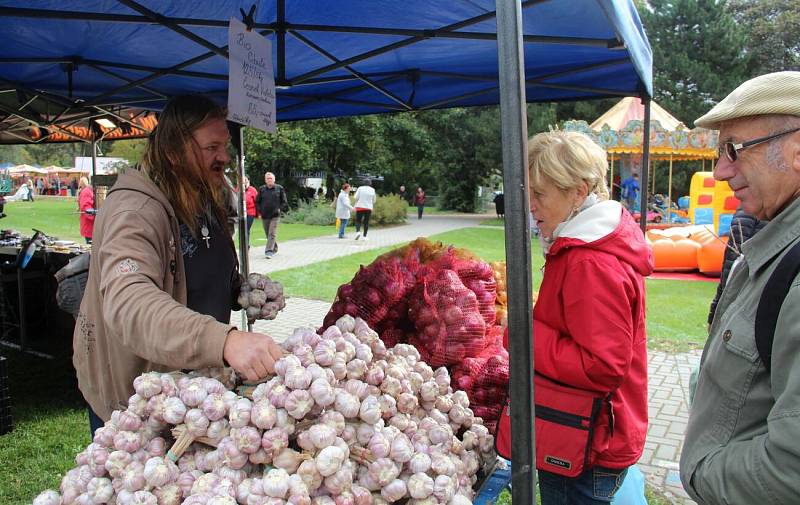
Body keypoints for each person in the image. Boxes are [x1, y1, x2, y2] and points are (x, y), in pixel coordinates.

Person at [72, 95, 283, 435]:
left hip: (196, 385)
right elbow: (130, 301)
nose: (225, 157)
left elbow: (196, 269)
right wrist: (224, 341)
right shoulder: (134, 210)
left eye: (225, 145)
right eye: (211, 147)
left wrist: (240, 290)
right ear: (173, 151)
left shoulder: (202, 191)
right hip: (139, 395)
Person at [679, 71, 800, 505]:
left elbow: (791, 470)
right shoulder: (775, 240)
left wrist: (702, 470)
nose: (719, 171)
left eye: (733, 149)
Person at [525, 131, 652, 504]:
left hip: (587, 442)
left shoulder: (589, 261)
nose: (531, 205)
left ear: (578, 192)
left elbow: (602, 365)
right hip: (588, 431)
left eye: (540, 194)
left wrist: (522, 334)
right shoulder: (586, 248)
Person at [255, 171, 288, 258]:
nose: (269, 180)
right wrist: (259, 211)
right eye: (267, 179)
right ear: (265, 180)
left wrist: (279, 209)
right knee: (267, 233)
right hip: (265, 215)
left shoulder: (279, 188)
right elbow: (257, 201)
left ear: (274, 179)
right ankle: (274, 247)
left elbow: (284, 202)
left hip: (275, 215)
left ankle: (269, 251)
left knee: (272, 233)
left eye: (271, 178)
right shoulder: (262, 189)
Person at [77, 177, 96, 244]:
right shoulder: (87, 192)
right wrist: (97, 217)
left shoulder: (91, 191)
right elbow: (86, 209)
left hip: (94, 227)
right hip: (90, 227)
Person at [243, 176, 258, 247]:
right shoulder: (238, 189)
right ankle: (244, 245)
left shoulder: (252, 190)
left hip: (250, 213)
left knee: (246, 229)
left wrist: (259, 213)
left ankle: (246, 245)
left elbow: (257, 202)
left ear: (248, 181)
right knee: (242, 230)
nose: (244, 182)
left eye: (245, 180)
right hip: (240, 213)